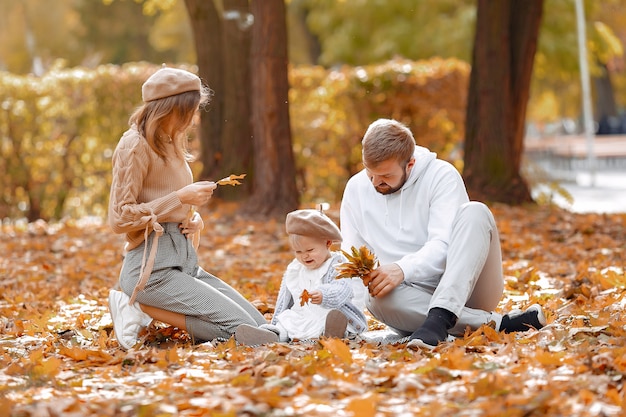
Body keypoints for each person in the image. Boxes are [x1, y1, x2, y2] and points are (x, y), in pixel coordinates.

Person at [339, 118, 546, 350]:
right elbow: (351, 256)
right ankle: (499, 324)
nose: (376, 183)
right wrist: (349, 320)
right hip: (410, 301)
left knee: (475, 212)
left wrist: (402, 269)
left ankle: (440, 318)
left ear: (410, 164)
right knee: (375, 297)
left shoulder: (441, 175)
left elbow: (443, 245)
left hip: (470, 288)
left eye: (386, 176)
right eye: (370, 174)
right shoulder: (356, 189)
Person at [107, 67, 266, 350]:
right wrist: (180, 198)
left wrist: (193, 219)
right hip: (151, 271)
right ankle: (136, 304)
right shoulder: (134, 145)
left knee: (258, 324)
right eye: (191, 111)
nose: (195, 119)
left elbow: (169, 205)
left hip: (183, 263)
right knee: (245, 332)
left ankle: (140, 309)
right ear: (171, 109)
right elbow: (120, 217)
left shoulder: (171, 142)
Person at [235, 209, 368, 345]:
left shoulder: (337, 263)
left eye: (310, 250)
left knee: (330, 319)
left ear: (327, 243)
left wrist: (324, 294)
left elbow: (344, 290)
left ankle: (332, 333)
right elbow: (284, 299)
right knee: (287, 321)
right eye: (298, 252)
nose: (304, 256)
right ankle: (272, 336)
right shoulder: (295, 268)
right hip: (302, 314)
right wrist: (276, 320)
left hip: (327, 312)